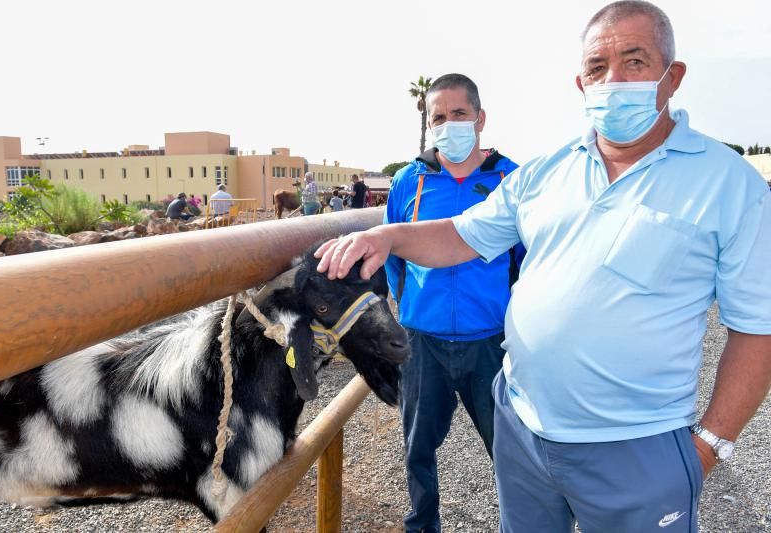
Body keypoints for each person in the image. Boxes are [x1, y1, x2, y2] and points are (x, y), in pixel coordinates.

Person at [314, 2, 771, 532]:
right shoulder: (546, 172)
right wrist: (387, 235)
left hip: (637, 448)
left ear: (673, 77)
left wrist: (709, 445)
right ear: (581, 84)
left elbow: (757, 326)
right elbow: (461, 236)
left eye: (635, 61)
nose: (613, 80)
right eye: (598, 69)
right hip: (523, 429)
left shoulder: (729, 183)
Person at [384, 73, 522, 533]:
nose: (448, 124)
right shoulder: (409, 181)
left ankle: (518, 523)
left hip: (492, 342)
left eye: (458, 114)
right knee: (417, 447)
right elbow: (395, 256)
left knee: (509, 448)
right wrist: (411, 312)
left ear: (480, 118)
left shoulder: (511, 179)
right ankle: (423, 525)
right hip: (424, 342)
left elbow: (527, 260)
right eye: (438, 117)